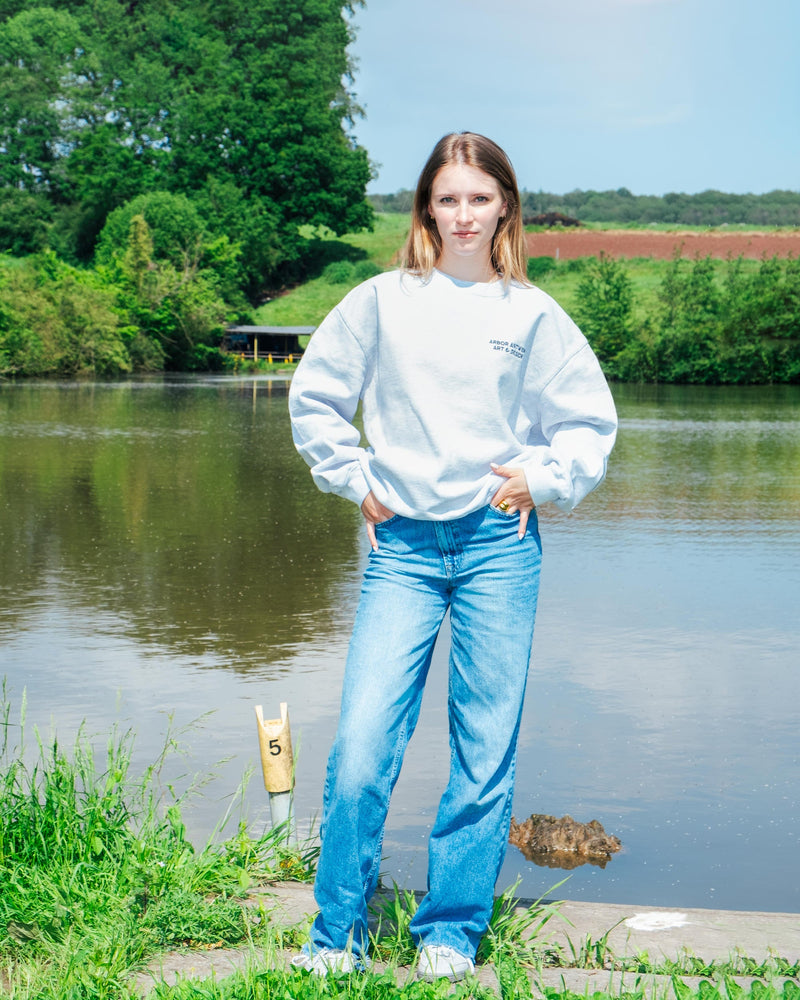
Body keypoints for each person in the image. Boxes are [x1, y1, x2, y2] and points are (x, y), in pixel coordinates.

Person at [288, 132, 617, 981]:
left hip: (497, 549)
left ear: (505, 203)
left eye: (480, 198)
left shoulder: (530, 315)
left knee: (482, 750)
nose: (463, 215)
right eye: (448, 198)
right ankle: (337, 934)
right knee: (362, 745)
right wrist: (354, 476)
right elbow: (317, 395)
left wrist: (540, 475)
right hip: (400, 547)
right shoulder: (381, 301)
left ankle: (450, 931)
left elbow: (587, 423)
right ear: (426, 207)